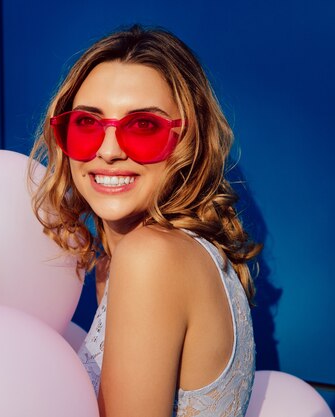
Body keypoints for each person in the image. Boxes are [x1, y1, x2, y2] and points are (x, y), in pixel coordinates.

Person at [29, 24, 261, 417]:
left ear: (189, 142)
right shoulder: (121, 264)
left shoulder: (150, 258)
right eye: (87, 123)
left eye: (143, 127)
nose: (109, 150)